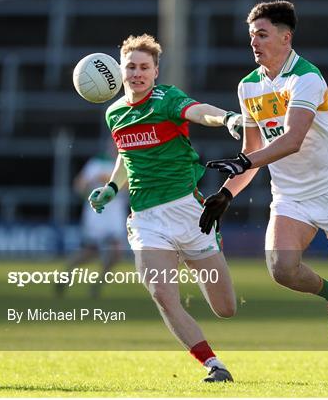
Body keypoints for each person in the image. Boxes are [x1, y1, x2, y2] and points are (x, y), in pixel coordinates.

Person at [199, 0, 328, 386]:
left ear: (285, 36)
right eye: (251, 36)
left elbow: (292, 140)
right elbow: (252, 152)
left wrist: (244, 163)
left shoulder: (307, 78)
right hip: (291, 195)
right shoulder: (249, 86)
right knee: (281, 269)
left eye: (262, 34)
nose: (254, 42)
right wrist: (226, 193)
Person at [88, 33, 242, 383]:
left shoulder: (166, 99)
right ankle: (213, 365)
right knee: (162, 294)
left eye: (145, 67)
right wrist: (112, 188)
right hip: (146, 219)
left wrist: (228, 118)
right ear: (121, 70)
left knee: (226, 308)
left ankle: (196, 257)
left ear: (156, 71)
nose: (137, 73)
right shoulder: (114, 114)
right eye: (131, 66)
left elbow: (199, 111)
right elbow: (127, 157)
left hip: (190, 215)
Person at [56, 146, 128, 298]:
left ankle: (97, 285)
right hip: (97, 214)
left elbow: (131, 186)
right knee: (91, 251)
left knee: (116, 251)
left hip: (115, 214)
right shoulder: (97, 163)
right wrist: (90, 191)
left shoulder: (130, 161)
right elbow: (79, 185)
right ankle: (66, 273)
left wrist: (109, 180)